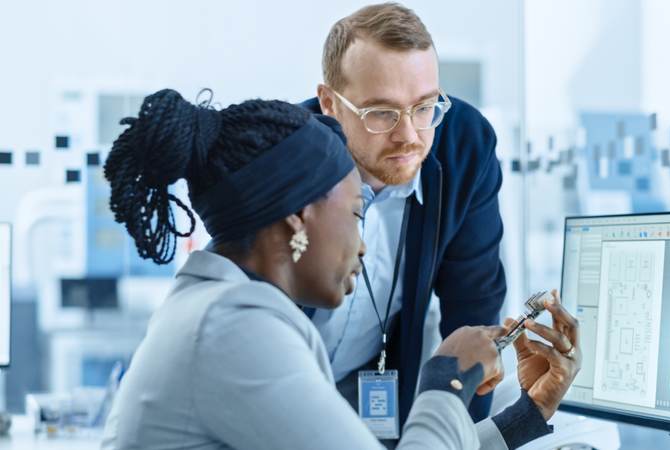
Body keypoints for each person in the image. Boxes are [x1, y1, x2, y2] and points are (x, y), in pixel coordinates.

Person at [99, 89, 582, 449]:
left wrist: (527, 415)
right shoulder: (233, 330)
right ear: (298, 217)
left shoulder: (230, 312)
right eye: (355, 213)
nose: (364, 246)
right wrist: (448, 378)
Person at [301, 2, 507, 425]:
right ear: (329, 103)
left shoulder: (465, 146)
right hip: (273, 381)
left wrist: (464, 436)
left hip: (369, 389)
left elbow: (473, 313)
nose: (409, 135)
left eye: (424, 107)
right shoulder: (283, 155)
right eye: (382, 112)